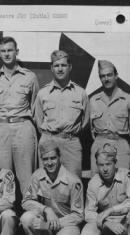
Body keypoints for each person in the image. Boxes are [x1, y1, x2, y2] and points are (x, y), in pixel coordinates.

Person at [0, 36, 39, 195]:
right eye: (3, 51)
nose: (7, 54)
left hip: (23, 128)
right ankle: (6, 216)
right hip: (1, 129)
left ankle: (30, 215)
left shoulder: (30, 77)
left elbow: (36, 107)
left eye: (10, 50)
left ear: (17, 52)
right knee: (2, 176)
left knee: (26, 176)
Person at [20, 139, 84, 235]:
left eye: (53, 158)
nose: (49, 163)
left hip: (66, 224)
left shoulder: (73, 181)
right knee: (26, 218)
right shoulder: (37, 176)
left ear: (59, 157)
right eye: (45, 159)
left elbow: (79, 215)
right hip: (46, 223)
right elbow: (26, 201)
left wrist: (53, 224)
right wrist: (45, 209)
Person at [34, 50, 89, 178]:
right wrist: (50, 136)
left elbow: (85, 121)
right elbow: (38, 120)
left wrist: (69, 134)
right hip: (48, 141)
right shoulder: (43, 93)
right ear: (51, 68)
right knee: (47, 183)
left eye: (63, 65)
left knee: (74, 182)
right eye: (56, 65)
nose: (60, 69)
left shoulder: (80, 93)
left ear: (70, 67)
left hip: (71, 143)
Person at [89, 60, 130, 174]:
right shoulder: (93, 101)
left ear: (116, 76)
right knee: (98, 185)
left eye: (109, 75)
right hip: (99, 144)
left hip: (121, 144)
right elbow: (91, 129)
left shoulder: (128, 100)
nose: (106, 79)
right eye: (102, 76)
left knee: (122, 183)